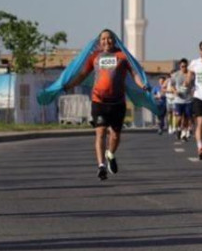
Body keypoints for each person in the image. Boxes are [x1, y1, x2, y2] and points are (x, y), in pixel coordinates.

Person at [62, 29, 151, 180]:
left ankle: (110, 154)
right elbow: (83, 74)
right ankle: (101, 166)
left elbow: (134, 73)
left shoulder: (123, 56)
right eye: (103, 39)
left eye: (109, 38)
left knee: (115, 135)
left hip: (117, 102)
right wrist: (69, 85)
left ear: (115, 40)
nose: (106, 41)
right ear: (99, 41)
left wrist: (142, 84)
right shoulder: (94, 57)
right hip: (99, 102)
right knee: (101, 132)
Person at [169, 59, 194, 141]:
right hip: (178, 100)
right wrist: (175, 91)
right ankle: (178, 129)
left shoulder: (191, 75)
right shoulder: (175, 75)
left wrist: (193, 92)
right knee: (179, 118)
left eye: (186, 66)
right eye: (182, 66)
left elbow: (194, 86)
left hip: (188, 99)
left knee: (187, 117)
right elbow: (172, 85)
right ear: (180, 66)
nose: (184, 68)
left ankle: (184, 132)